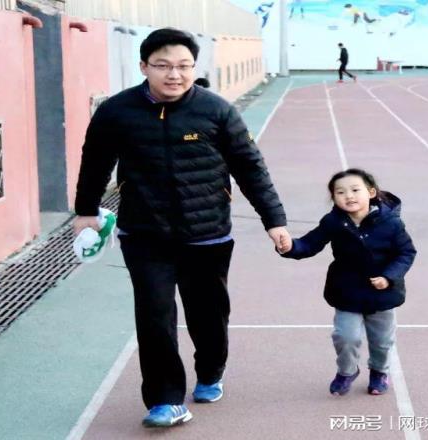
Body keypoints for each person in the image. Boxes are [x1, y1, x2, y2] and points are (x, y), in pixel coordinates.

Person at [73, 28, 290, 427]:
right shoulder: (116, 112)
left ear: (194, 67)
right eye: (163, 66)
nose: (174, 74)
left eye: (184, 66)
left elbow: (249, 166)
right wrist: (85, 210)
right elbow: (95, 160)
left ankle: (210, 371)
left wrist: (273, 219)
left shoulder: (217, 110)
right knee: (154, 316)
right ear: (144, 67)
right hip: (144, 234)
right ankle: (165, 400)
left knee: (208, 316)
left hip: (207, 234)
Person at [278, 169, 416, 396]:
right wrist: (289, 247)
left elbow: (406, 252)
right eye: (340, 192)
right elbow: (310, 244)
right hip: (347, 291)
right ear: (334, 198)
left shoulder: (391, 223)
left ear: (371, 192)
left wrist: (389, 277)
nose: (348, 196)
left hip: (382, 294)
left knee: (382, 341)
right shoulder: (333, 222)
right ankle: (347, 371)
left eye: (355, 190)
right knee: (345, 337)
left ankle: (379, 372)